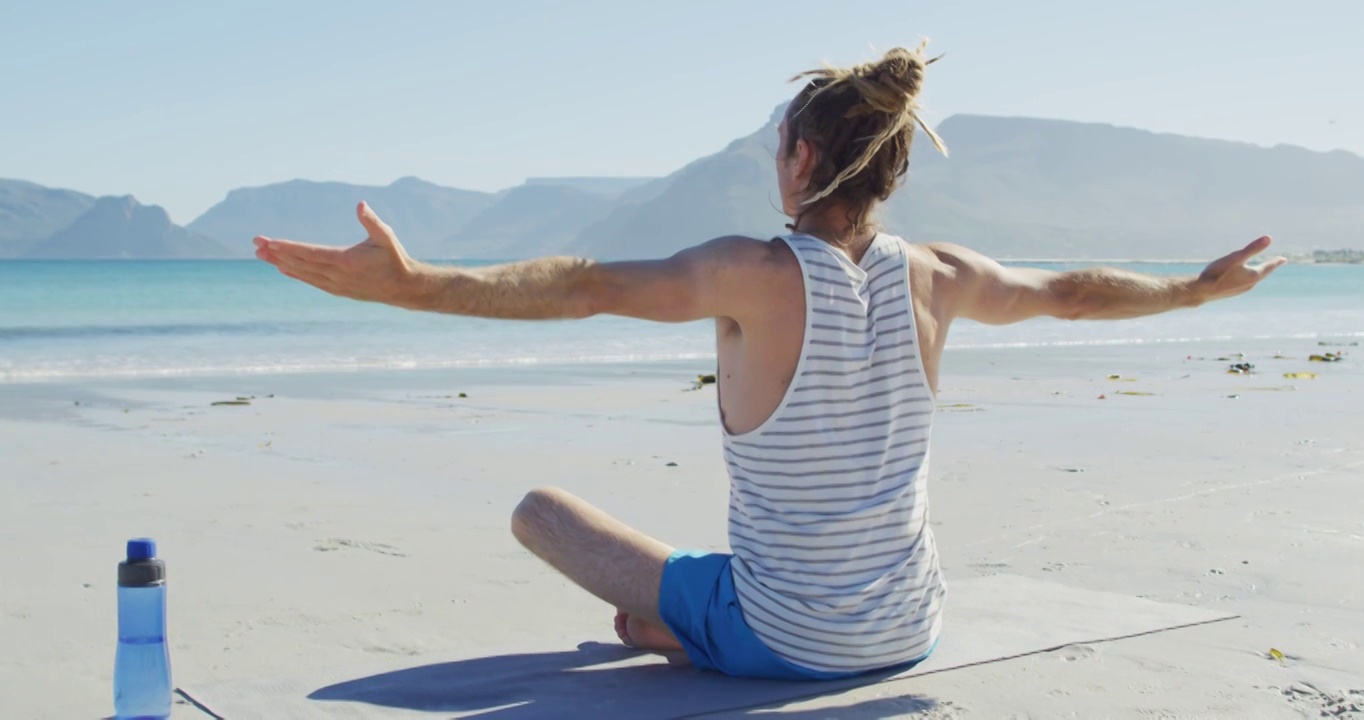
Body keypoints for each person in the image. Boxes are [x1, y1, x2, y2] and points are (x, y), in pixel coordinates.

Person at [252, 43, 1285, 681]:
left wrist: (417, 284)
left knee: (541, 513)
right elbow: (1071, 292)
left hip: (789, 639)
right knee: (712, 579)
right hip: (906, 631)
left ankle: (694, 635)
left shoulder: (748, 272)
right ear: (889, 173)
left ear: (797, 160)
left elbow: (586, 284)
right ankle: (685, 630)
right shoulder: (942, 274)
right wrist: (1195, 288)